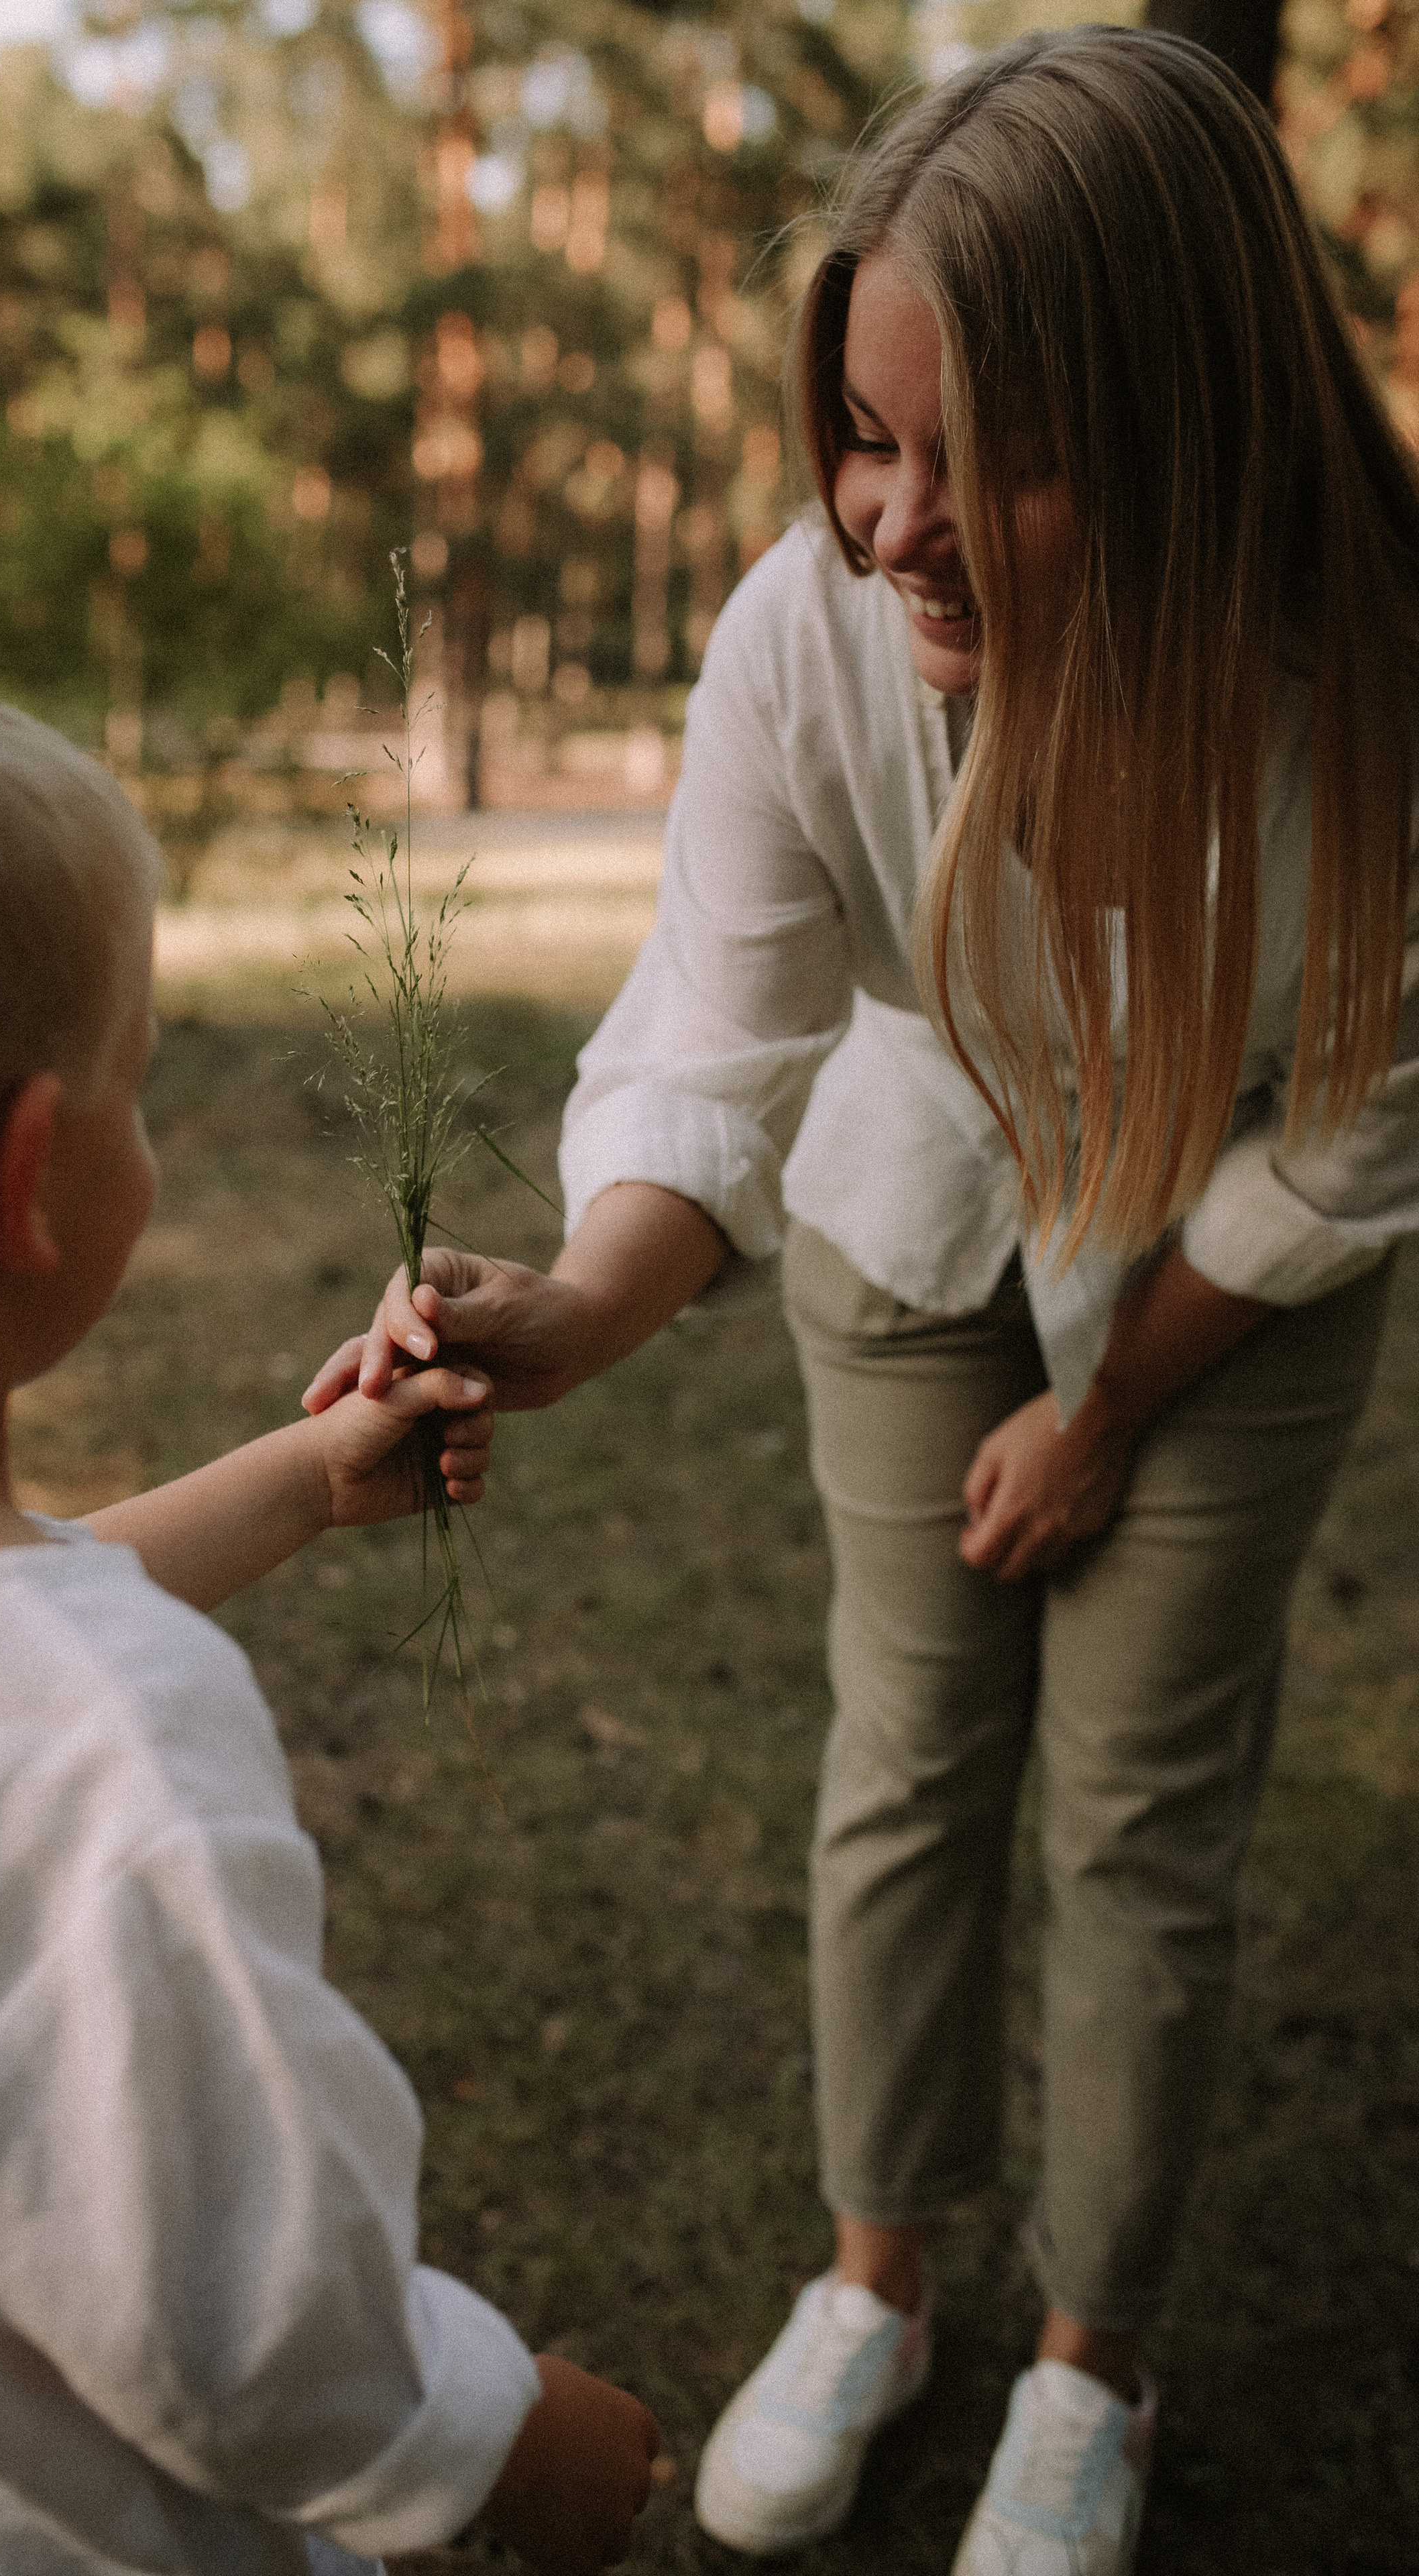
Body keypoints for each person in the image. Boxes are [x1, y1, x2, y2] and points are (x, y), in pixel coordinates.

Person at [311, 29, 1419, 2575]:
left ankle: (1087, 2362)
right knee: (908, 1760)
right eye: (860, 434)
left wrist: (1119, 1403)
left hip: (1251, 1245)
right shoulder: (805, 639)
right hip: (916, 1200)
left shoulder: (1369, 685)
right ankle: (879, 2280)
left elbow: (1365, 1113)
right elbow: (722, 1024)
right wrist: (578, 1312)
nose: (892, 522)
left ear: (1195, 425)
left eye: (981, 454)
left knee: (1144, 1814)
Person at [0, 651, 661, 2575]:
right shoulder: (95, 1759)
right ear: (31, 1175)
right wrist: (518, 2445)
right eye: (136, 1084)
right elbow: (249, 2327)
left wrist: (308, 1475)